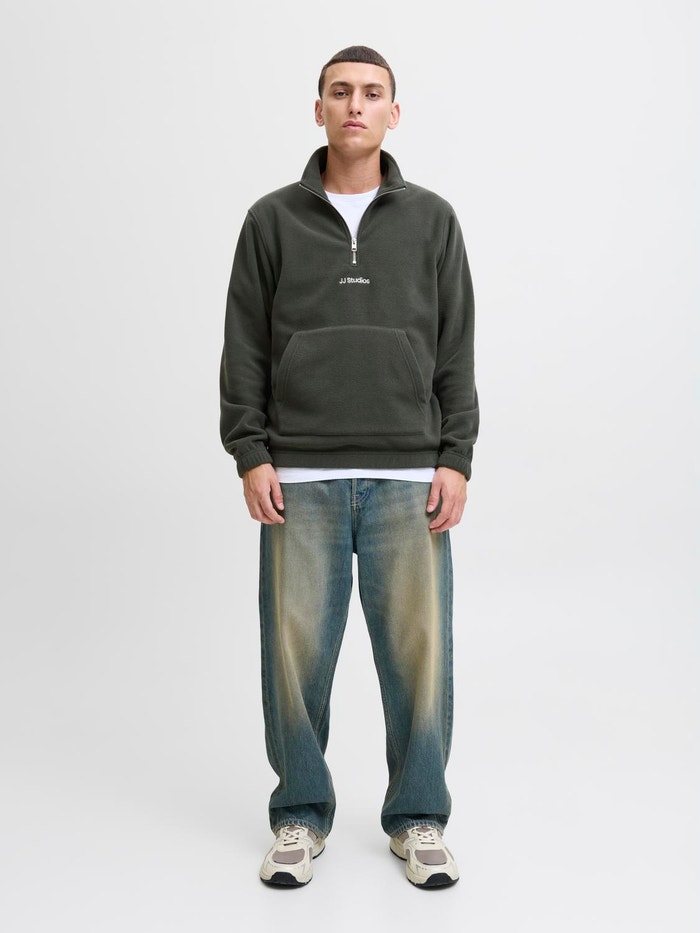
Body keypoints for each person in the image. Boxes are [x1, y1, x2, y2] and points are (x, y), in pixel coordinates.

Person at [219, 45, 478, 888]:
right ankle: (299, 814)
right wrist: (252, 451)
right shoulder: (271, 220)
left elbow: (455, 346)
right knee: (294, 656)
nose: (355, 105)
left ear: (393, 114)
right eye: (340, 92)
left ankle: (419, 817)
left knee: (420, 658)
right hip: (299, 476)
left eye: (371, 93)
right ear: (319, 108)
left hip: (410, 476)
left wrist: (456, 456)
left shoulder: (433, 220)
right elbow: (244, 344)